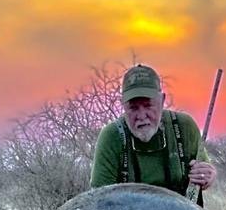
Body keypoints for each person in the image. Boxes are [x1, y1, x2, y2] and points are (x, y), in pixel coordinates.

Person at [90, 64, 217, 202]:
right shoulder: (111, 137)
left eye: (148, 105)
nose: (142, 116)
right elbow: (100, 200)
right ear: (123, 105)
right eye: (133, 108)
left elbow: (205, 171)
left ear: (162, 100)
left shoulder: (185, 127)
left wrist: (207, 175)